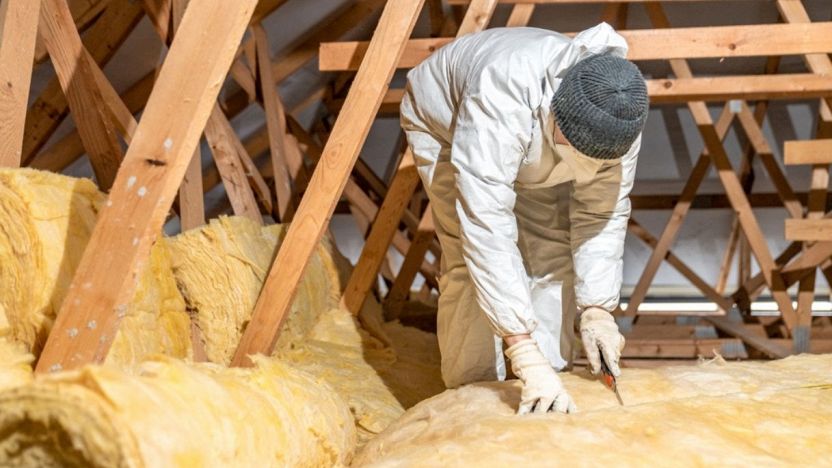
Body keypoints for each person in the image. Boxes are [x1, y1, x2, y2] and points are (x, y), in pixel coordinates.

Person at [399, 23, 649, 415]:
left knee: (549, 250)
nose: (581, 164)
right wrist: (521, 348)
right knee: (468, 257)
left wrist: (598, 309)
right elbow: (486, 226)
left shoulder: (622, 118)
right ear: (557, 115)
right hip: (444, 121)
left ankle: (551, 381)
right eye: (574, 148)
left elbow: (602, 212)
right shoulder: (502, 93)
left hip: (530, 135)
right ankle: (475, 394)